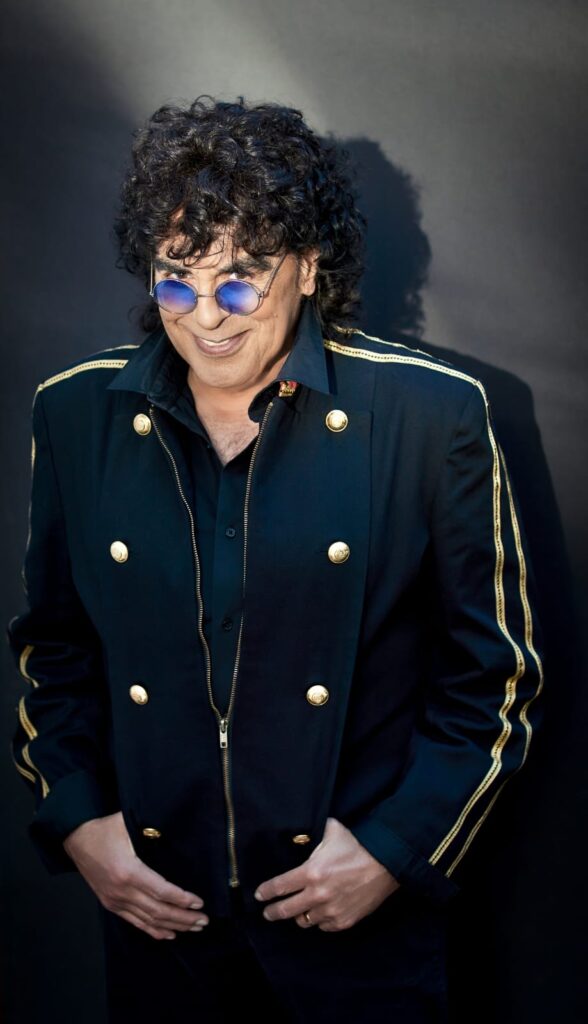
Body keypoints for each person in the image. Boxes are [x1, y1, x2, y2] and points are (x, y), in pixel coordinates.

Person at [7, 95, 544, 1023]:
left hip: (356, 935)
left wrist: (393, 851)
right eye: (176, 281)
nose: (205, 318)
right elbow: (53, 650)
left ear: (307, 266)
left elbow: (494, 678)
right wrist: (80, 821)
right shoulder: (74, 412)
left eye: (240, 281)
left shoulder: (433, 414)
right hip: (160, 925)